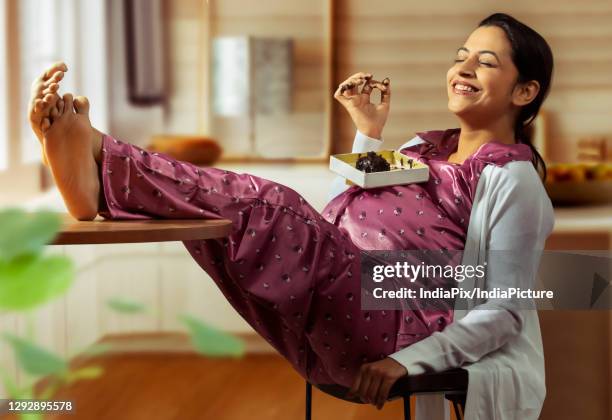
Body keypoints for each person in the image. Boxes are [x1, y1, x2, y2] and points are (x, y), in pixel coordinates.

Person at [29, 12, 554, 419]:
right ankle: (102, 181)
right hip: (353, 287)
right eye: (461, 55)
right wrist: (368, 131)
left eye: (485, 63)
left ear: (524, 92)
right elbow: (336, 216)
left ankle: (103, 163)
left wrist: (408, 361)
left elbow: (505, 311)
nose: (463, 69)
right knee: (226, 226)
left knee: (269, 205)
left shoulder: (511, 178)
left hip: (404, 322)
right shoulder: (420, 148)